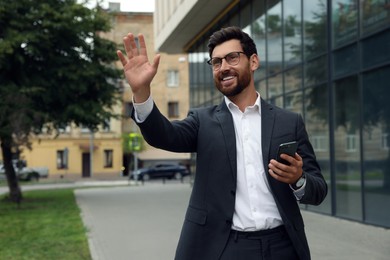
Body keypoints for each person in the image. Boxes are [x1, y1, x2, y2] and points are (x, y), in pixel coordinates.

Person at [117, 26, 327, 260]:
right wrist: (142, 91)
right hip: (227, 247)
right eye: (216, 62)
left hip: (284, 246)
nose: (223, 67)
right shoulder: (202, 121)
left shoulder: (289, 122)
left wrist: (298, 179)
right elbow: (163, 135)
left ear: (253, 61)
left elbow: (318, 190)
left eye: (232, 58)